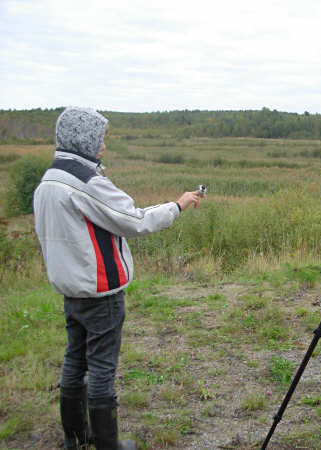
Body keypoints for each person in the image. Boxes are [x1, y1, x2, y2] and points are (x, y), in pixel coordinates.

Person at [33, 107, 203, 450]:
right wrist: (179, 204)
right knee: (101, 369)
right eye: (100, 139)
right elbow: (135, 221)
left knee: (74, 360)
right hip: (99, 293)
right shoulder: (86, 182)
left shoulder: (48, 179)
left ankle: (76, 438)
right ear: (85, 141)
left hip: (70, 291)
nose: (104, 147)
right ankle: (107, 445)